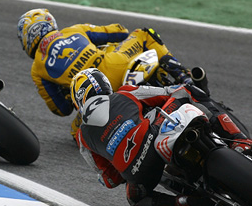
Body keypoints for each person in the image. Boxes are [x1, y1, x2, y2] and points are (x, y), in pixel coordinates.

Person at [71, 68, 252, 206]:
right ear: (104, 84)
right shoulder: (125, 93)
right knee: (186, 91)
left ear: (78, 99)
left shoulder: (82, 137)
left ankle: (182, 203)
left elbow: (110, 179)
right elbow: (168, 92)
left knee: (135, 199)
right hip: (153, 135)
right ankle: (240, 141)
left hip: (140, 174)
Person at [17, 8, 191, 136]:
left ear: (27, 38)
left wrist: (69, 92)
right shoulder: (73, 30)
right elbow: (120, 31)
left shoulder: (37, 70)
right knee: (145, 34)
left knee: (75, 132)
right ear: (49, 23)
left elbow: (61, 110)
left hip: (96, 96)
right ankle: (183, 75)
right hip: (117, 66)